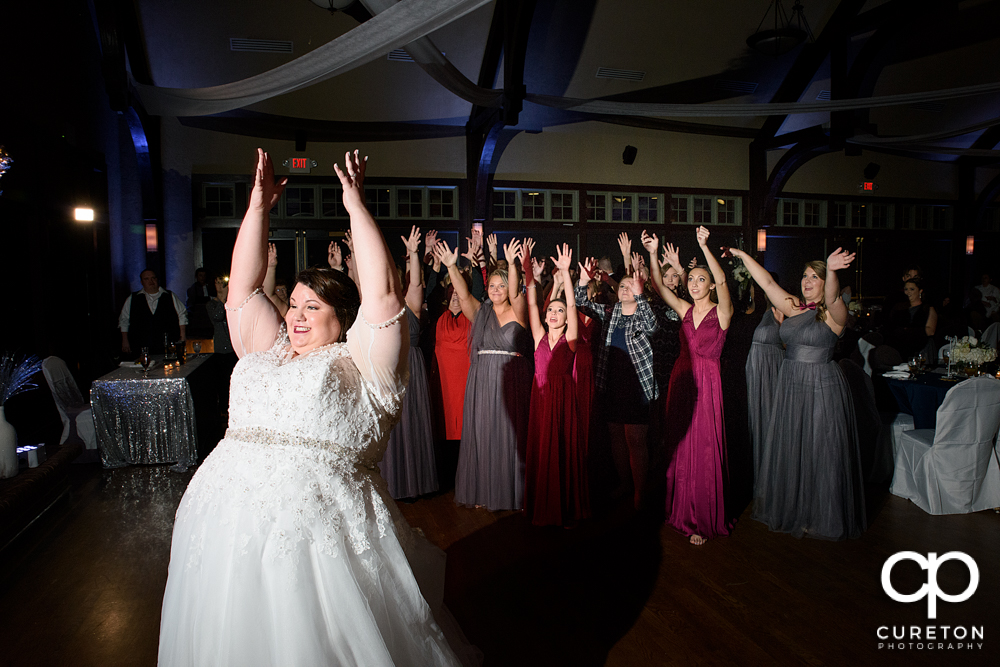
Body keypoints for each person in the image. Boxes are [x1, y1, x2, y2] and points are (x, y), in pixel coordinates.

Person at [158, 149, 465, 666]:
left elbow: (384, 296)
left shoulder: (363, 361)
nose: (296, 316)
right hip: (221, 524)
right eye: (294, 303)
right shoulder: (266, 348)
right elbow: (242, 290)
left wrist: (355, 205)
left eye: (312, 307)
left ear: (342, 318)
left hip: (314, 538)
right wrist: (257, 207)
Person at [729, 245, 866, 540]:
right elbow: (766, 282)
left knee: (819, 450)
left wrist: (830, 270)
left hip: (821, 385)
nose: (807, 281)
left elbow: (830, 296)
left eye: (813, 277)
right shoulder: (793, 307)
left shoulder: (834, 312)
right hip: (790, 383)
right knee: (794, 447)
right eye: (805, 276)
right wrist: (743, 256)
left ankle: (820, 516)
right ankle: (795, 509)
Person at [642, 227, 733, 546]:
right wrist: (653, 254)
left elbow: (723, 281)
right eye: (691, 279)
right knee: (680, 446)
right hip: (682, 381)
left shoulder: (723, 312)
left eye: (700, 280)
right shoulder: (685, 310)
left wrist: (704, 247)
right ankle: (681, 510)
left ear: (710, 285)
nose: (694, 284)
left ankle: (702, 518)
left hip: (707, 385)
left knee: (704, 448)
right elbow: (658, 285)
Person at [436, 237, 532, 511]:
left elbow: (516, 294)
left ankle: (512, 492)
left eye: (501, 285)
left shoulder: (518, 312)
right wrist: (452, 267)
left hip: (510, 379)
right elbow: (464, 295)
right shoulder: (480, 312)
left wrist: (512, 264)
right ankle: (483, 491)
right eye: (492, 285)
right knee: (483, 434)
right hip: (480, 380)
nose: (497, 290)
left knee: (509, 436)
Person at [575, 246, 659, 511]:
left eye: (629, 286)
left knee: (636, 440)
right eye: (621, 286)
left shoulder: (643, 313)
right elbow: (581, 303)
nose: (624, 289)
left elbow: (653, 326)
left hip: (637, 388)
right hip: (611, 385)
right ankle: (625, 483)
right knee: (617, 439)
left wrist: (640, 294)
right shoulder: (610, 313)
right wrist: (584, 280)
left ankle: (640, 491)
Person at [523, 242, 590, 526]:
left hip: (563, 400)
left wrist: (566, 276)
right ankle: (541, 506)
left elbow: (573, 306)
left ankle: (564, 509)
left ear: (565, 318)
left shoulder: (571, 340)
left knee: (562, 450)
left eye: (559, 311)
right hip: (540, 399)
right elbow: (530, 303)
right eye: (551, 309)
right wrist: (527, 270)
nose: (553, 313)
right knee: (541, 450)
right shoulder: (538, 335)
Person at [380, 225, 439, 500]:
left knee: (411, 422)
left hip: (411, 368)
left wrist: (415, 254)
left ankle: (415, 482)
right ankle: (393, 483)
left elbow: (416, 283)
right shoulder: (380, 307)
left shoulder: (412, 303)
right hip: (388, 369)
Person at [119, 269, 187, 355]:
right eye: (146, 279)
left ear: (157, 279)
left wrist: (182, 336)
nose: (151, 281)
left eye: (153, 278)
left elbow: (182, 315)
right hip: (141, 345)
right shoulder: (133, 298)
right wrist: (125, 341)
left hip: (166, 344)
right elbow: (124, 320)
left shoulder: (170, 296)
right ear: (141, 282)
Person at [205, 274, 237, 423]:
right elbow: (217, 316)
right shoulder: (211, 304)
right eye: (217, 282)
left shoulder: (234, 302)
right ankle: (224, 411)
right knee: (223, 382)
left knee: (235, 381)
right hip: (221, 350)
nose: (220, 285)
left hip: (234, 348)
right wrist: (223, 299)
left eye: (222, 282)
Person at [884, 277, 937, 360]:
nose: (908, 292)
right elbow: (890, 326)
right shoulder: (898, 307)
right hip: (900, 346)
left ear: (920, 291)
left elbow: (930, 331)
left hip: (922, 347)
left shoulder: (927, 308)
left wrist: (909, 331)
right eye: (906, 289)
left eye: (912, 289)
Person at [186, 267, 213, 338]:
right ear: (196, 277)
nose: (202, 278)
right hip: (198, 320)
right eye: (200, 275)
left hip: (208, 319)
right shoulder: (193, 289)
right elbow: (191, 304)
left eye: (204, 275)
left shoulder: (210, 287)